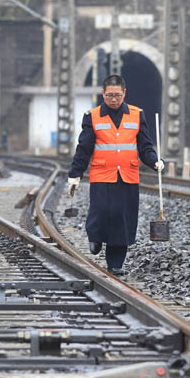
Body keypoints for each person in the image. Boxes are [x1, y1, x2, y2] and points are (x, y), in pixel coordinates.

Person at [67, 74, 163, 276]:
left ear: (124, 93)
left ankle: (116, 263)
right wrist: (75, 175)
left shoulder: (137, 115)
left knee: (122, 219)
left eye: (117, 95)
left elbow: (145, 145)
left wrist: (154, 161)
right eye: (109, 95)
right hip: (102, 175)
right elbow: (84, 148)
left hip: (128, 176)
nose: (113, 99)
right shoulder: (92, 116)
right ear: (103, 94)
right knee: (100, 212)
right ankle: (95, 236)